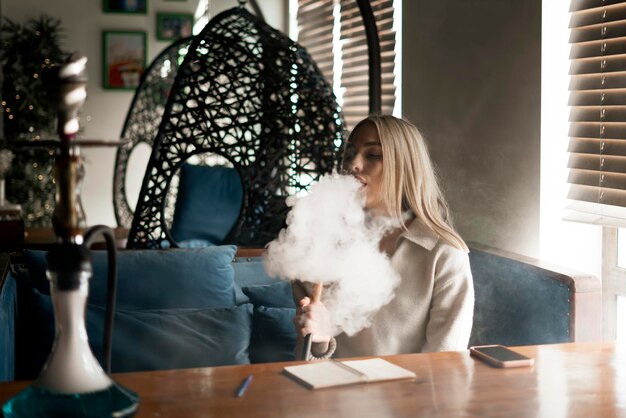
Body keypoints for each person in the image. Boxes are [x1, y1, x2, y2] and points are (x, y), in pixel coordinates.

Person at [293, 114, 474, 359]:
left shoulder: (444, 253)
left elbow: (445, 364)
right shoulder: (323, 241)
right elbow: (305, 363)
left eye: (373, 155)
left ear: (404, 166)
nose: (353, 164)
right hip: (332, 390)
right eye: (350, 154)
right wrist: (320, 342)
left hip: (409, 392)